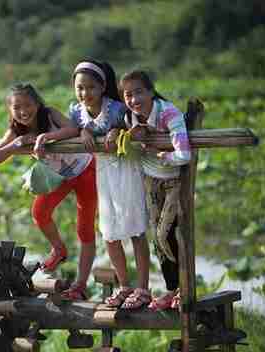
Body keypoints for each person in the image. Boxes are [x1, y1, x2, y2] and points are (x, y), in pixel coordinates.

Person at [0, 83, 96, 300]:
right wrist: (16, 144)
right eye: (17, 107)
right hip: (59, 176)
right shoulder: (16, 130)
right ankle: (59, 250)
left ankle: (80, 285)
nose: (23, 111)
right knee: (40, 212)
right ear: (10, 110)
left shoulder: (50, 114)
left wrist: (44, 137)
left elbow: (73, 129)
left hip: (85, 169)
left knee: (84, 228)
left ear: (37, 104)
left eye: (28, 105)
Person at [69, 60, 151, 309]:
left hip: (126, 168)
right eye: (80, 88)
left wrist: (117, 130)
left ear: (104, 87)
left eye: (91, 87)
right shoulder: (76, 112)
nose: (85, 93)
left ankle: (143, 289)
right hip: (104, 173)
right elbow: (73, 130)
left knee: (135, 228)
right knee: (109, 231)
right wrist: (81, 132)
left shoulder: (116, 109)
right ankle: (124, 286)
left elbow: (141, 130)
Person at [118, 70, 191, 310]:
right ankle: (172, 290)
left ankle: (184, 288)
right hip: (150, 180)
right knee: (158, 241)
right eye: (128, 95)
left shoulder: (170, 114)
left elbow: (183, 155)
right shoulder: (131, 118)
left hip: (173, 181)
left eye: (139, 92)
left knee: (167, 234)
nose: (134, 99)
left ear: (150, 91)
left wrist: (162, 153)